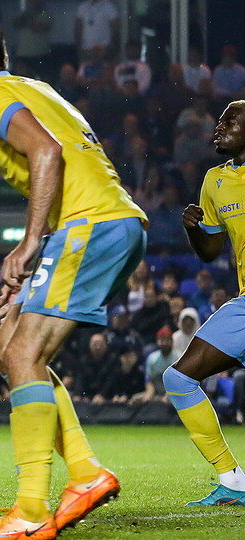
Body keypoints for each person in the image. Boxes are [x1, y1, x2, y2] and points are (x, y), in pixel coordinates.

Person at [0, 17, 147, 539]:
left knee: (24, 354)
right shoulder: (36, 88)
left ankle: (31, 510)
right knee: (7, 349)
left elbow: (47, 152)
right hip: (102, 224)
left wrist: (29, 241)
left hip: (89, 226)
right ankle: (84, 471)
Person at [170, 100, 245, 506]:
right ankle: (233, 480)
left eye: (230, 121)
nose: (220, 127)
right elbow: (210, 251)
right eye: (219, 121)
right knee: (179, 378)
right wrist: (194, 229)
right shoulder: (215, 180)